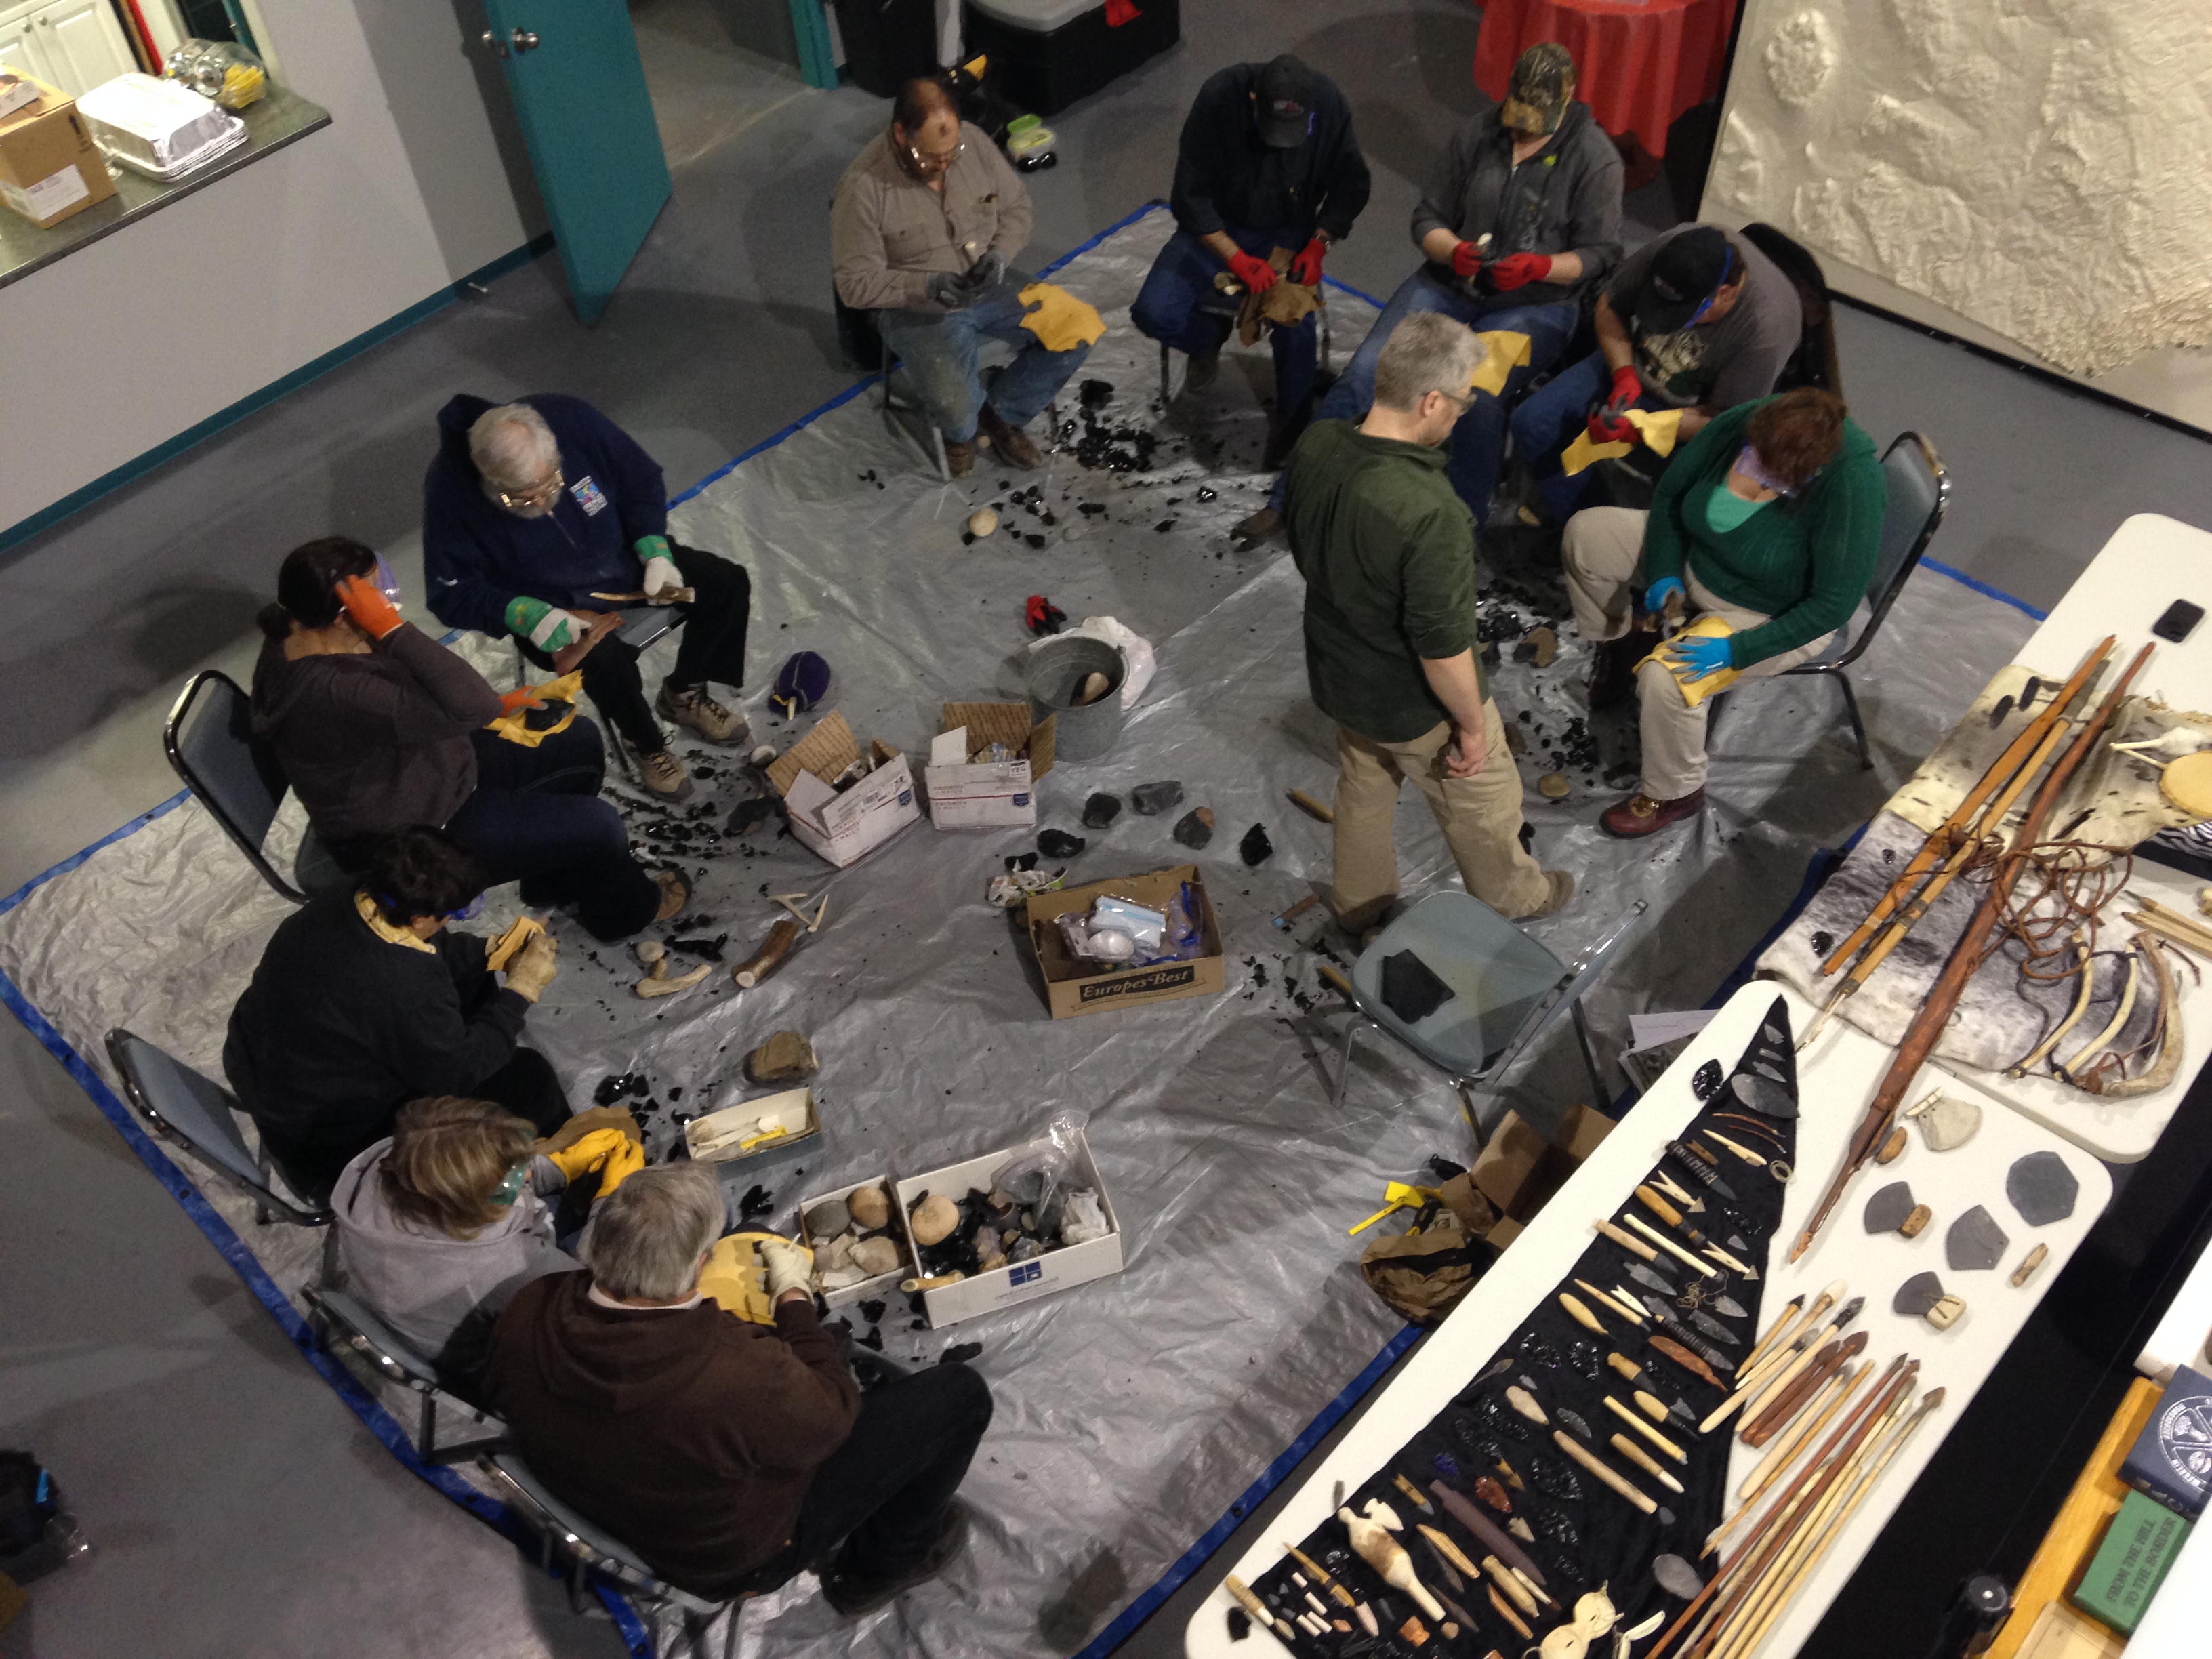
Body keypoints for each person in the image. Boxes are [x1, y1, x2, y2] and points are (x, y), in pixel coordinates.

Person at [484, 1166, 994, 1616]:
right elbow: (835, 1417)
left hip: (583, 1495)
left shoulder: (532, 1303)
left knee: (763, 1256)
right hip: (733, 1557)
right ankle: (872, 1572)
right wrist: (794, 1299)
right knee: (961, 1396)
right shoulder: (736, 1376)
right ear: (702, 1264)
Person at [1238, 43, 1620, 543]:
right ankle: (1290, 495)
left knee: (1478, 398)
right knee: (1366, 371)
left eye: (1536, 120)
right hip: (1449, 284)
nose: (1523, 129)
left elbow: (1601, 254)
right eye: (1518, 116)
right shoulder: (1480, 134)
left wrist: (1539, 267)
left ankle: (1458, 532)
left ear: (1566, 103)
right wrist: (1451, 250)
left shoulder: (1594, 160)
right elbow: (1427, 217)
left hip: (1536, 306)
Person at [1284, 312, 1574, 928]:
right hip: (1412, 702)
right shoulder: (1431, 514)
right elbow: (1442, 649)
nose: (1460, 416)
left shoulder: (1318, 443)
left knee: (1364, 784)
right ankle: (1518, 898)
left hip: (1340, 671)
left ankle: (1360, 906)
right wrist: (1470, 725)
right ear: (1430, 400)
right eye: (1461, 405)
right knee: (1484, 806)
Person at [253, 536, 678, 941]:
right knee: (600, 826)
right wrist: (392, 629)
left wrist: (498, 704)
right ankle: (624, 914)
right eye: (373, 598)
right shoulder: (334, 690)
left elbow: (451, 704)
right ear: (344, 616)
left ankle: (553, 879)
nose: (384, 601)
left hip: (423, 770)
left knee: (577, 741)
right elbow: (467, 705)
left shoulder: (294, 633)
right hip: (412, 833)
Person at [1563, 388, 1886, 837]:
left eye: (1773, 477)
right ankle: (1620, 646)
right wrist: (1661, 570)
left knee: (1672, 679)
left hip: (1765, 611)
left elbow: (1832, 606)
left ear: (1807, 473)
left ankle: (1675, 791)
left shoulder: (1853, 485)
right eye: (1752, 459)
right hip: (1700, 561)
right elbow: (1672, 495)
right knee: (1588, 535)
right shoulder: (1751, 419)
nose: (1754, 476)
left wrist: (1738, 649)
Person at [423, 394, 753, 805]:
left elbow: (640, 480)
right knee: (603, 660)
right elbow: (449, 594)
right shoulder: (451, 492)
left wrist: (654, 548)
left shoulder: (572, 421)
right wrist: (523, 613)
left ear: (556, 451)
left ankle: (684, 696)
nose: (542, 503)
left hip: (624, 561)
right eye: (522, 498)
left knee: (727, 584)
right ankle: (647, 744)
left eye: (551, 484)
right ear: (490, 481)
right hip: (547, 606)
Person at [223, 826, 571, 1204]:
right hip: (327, 1141)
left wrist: (491, 951)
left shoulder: (355, 894)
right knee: (530, 1076)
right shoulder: (404, 988)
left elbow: (432, 949)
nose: (452, 922)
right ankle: (558, 1185)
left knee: (475, 988)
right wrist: (521, 990)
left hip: (263, 1067)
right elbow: (455, 1070)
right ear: (422, 917)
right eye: (453, 914)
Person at [831, 73, 1090, 478]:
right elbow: (853, 284)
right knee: (956, 413)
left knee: (1076, 328)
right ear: (901, 134)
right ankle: (963, 427)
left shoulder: (972, 142)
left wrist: (1001, 254)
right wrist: (924, 286)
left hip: (988, 284)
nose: (943, 168)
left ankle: (999, 412)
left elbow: (1017, 206)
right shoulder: (863, 188)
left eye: (950, 156)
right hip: (918, 310)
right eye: (931, 159)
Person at [1130, 54, 1371, 462]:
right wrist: (1236, 258)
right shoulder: (1220, 98)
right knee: (1153, 311)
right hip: (1217, 227)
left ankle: (1293, 428)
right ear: (1254, 98)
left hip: (1288, 231)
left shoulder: (1328, 104)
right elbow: (1189, 196)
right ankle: (1206, 343)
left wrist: (1319, 243)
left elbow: (1351, 185)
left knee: (1295, 325)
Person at [329, 1095, 643, 1386]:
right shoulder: (510, 1269)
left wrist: (555, 1168)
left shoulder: (402, 1163)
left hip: (420, 1304)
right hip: (493, 1365)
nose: (527, 1177)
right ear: (471, 1204)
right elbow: (590, 1303)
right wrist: (612, 1203)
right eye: (514, 1176)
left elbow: (470, 1179)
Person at [1512, 221, 1801, 525]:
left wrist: (1644, 427)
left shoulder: (1765, 329)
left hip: (1695, 411)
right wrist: (1623, 373)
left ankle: (1625, 546)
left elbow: (1725, 420)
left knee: (1683, 495)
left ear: (1725, 294)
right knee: (1531, 423)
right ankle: (1583, 521)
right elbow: (1610, 306)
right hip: (1629, 363)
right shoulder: (1673, 246)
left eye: (1686, 316)